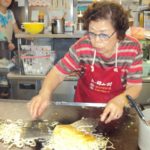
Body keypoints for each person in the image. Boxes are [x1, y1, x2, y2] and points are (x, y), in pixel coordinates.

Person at [28, 1, 143, 123]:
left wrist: (120, 101)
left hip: (116, 111)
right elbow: (58, 72)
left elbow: (135, 86)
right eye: (92, 33)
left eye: (104, 35)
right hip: (83, 110)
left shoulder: (132, 48)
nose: (96, 41)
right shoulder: (83, 46)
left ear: (119, 33)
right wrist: (44, 93)